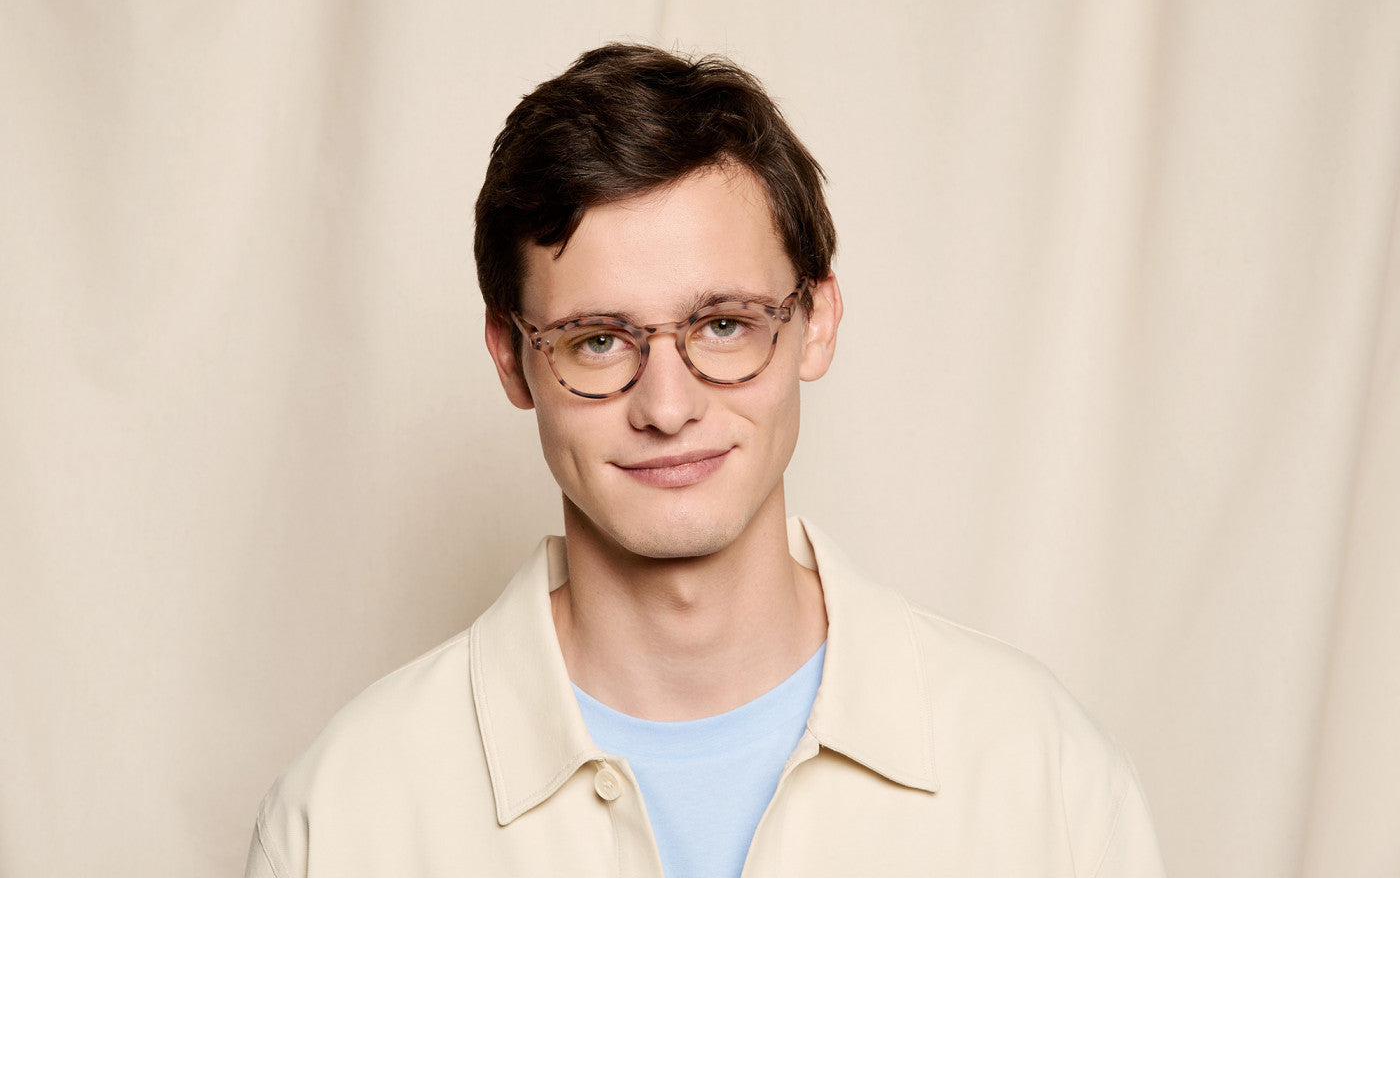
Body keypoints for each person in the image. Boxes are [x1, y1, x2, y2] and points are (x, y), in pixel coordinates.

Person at [245, 43, 1164, 877]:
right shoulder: (342, 820)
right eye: (597, 340)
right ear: (510, 358)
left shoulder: (1045, 780)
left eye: (724, 325)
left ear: (817, 322)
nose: (668, 407)